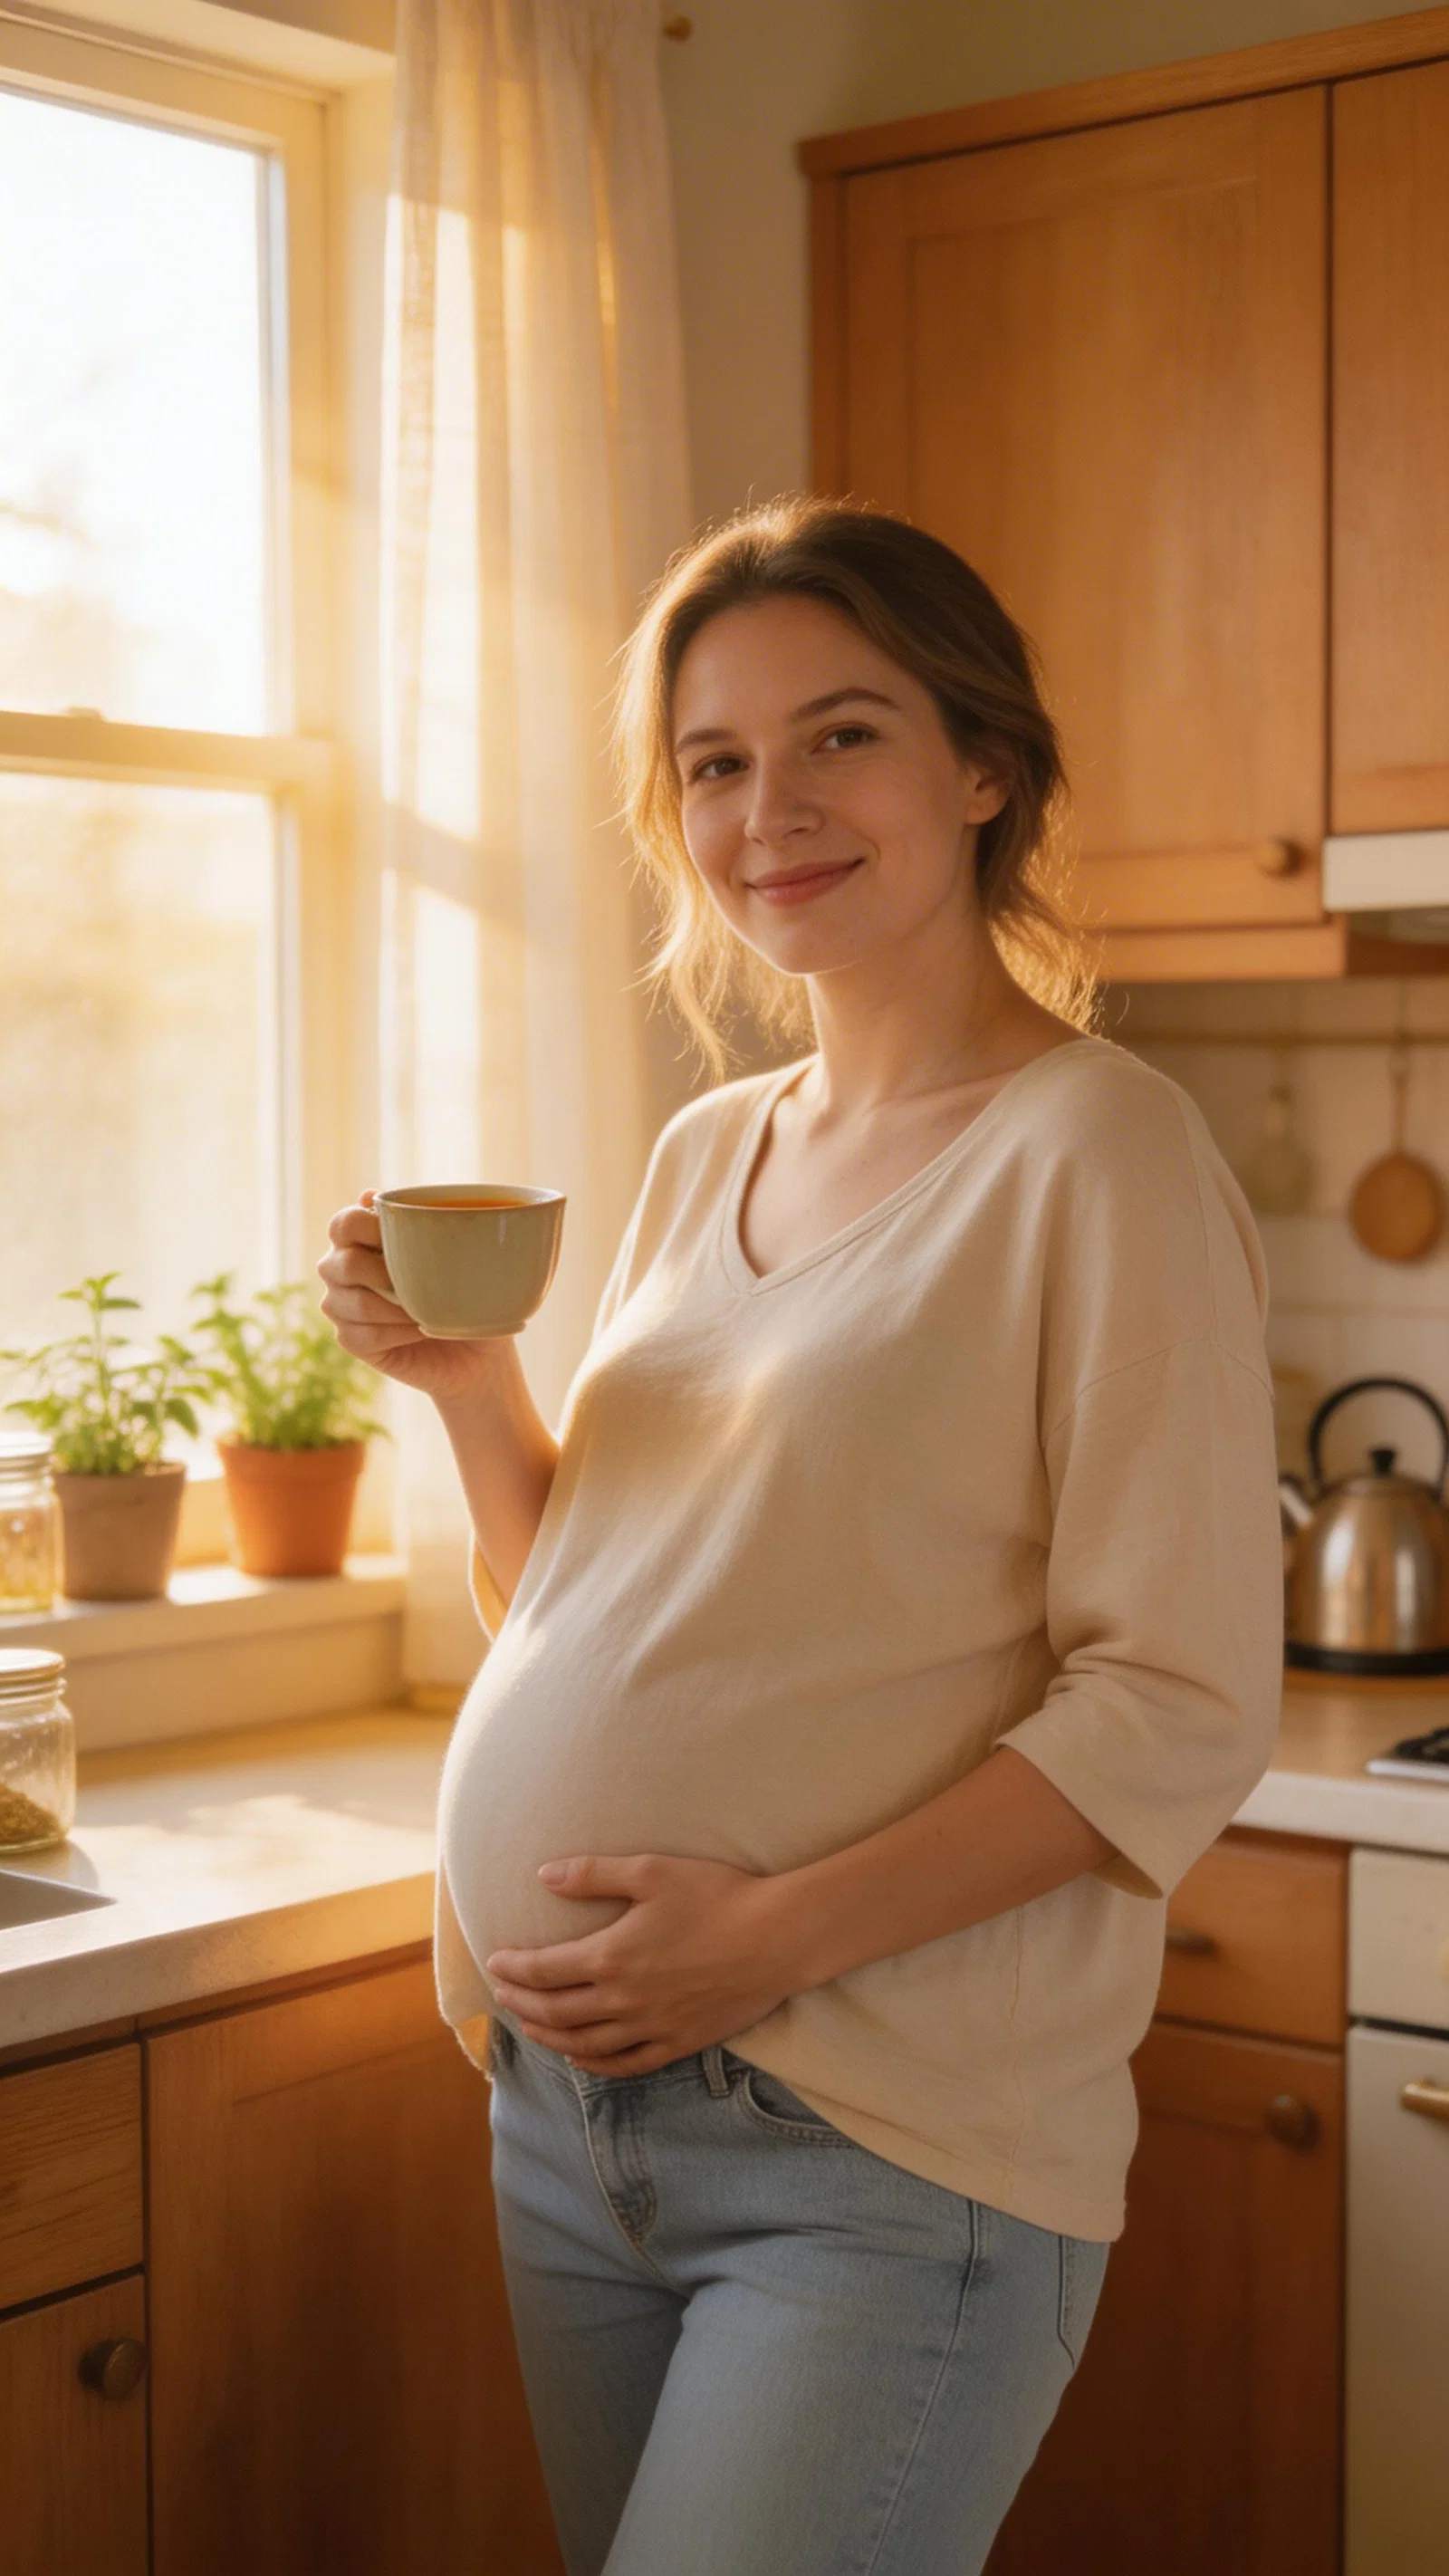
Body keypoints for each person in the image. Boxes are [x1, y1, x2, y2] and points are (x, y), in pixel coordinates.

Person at [318, 496, 1285, 2576]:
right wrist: (474, 1397)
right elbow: (586, 1597)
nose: (772, 809)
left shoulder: (1096, 1151)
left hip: (876, 2149)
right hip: (575, 2123)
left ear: (979, 767)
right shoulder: (700, 1153)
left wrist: (760, 1939)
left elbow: (1175, 1700)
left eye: (839, 736)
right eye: (715, 762)